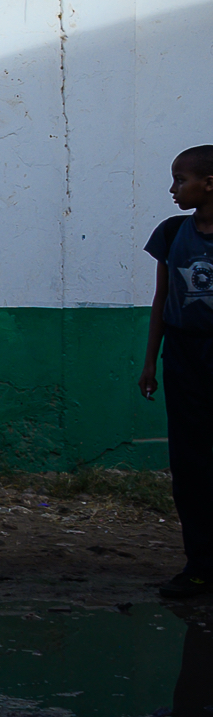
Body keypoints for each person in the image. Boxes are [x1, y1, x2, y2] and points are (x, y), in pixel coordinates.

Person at [140, 145, 213, 598]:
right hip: (184, 358)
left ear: (209, 184)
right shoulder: (171, 233)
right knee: (189, 466)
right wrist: (151, 360)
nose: (172, 189)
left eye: (180, 180)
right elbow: (161, 301)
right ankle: (199, 566)